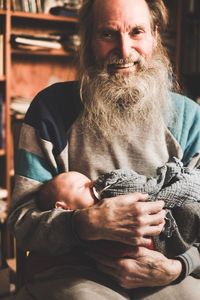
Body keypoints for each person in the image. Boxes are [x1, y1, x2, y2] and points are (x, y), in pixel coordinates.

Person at [8, 0, 200, 299]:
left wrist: (179, 265)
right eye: (108, 34)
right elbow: (21, 224)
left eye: (137, 32)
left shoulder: (190, 118)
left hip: (168, 273)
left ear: (155, 35)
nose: (124, 51)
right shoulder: (51, 110)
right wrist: (85, 223)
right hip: (75, 274)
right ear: (87, 40)